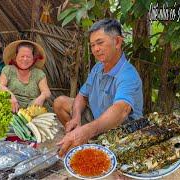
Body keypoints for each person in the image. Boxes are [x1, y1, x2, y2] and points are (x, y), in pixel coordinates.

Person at [54, 19, 143, 157]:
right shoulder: (98, 68)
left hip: (122, 130)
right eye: (92, 45)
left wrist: (88, 130)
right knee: (60, 102)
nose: (96, 49)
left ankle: (94, 143)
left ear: (118, 42)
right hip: (98, 121)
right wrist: (76, 118)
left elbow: (121, 110)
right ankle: (87, 146)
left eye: (100, 43)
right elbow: (82, 95)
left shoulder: (128, 75)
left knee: (119, 171)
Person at [0, 40, 51, 113]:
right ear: (16, 56)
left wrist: (41, 98)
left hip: (34, 112)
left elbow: (46, 92)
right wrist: (10, 96)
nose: (25, 59)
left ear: (33, 58)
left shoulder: (39, 74)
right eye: (22, 56)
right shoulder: (8, 70)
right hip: (12, 109)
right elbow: (1, 85)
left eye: (28, 57)